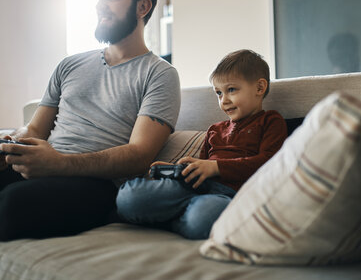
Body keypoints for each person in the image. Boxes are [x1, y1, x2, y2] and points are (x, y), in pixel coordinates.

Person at [0, 0, 180, 241]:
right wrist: (8, 147)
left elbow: (140, 155)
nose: (100, 6)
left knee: (12, 208)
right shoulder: (69, 65)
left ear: (142, 6)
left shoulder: (160, 74)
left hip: (95, 184)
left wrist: (60, 163)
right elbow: (34, 130)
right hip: (38, 167)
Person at [117, 49, 288, 239]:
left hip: (229, 194)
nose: (224, 101)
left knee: (202, 219)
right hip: (196, 188)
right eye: (218, 93)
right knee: (129, 197)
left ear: (259, 88)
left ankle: (170, 219)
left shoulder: (271, 121)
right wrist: (177, 170)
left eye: (231, 90)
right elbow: (201, 166)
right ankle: (178, 215)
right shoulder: (215, 129)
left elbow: (268, 164)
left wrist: (216, 167)